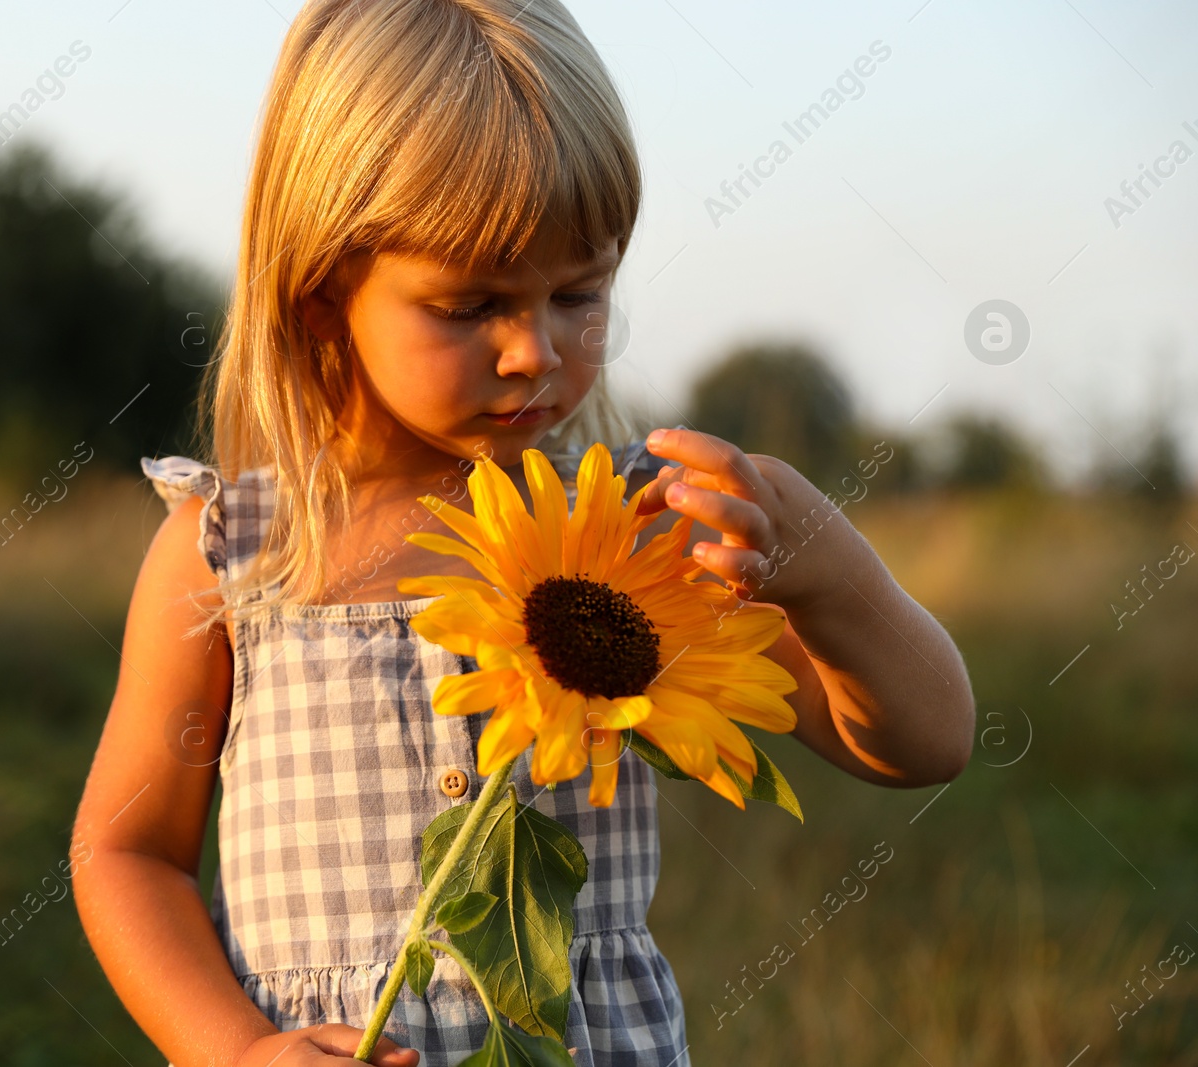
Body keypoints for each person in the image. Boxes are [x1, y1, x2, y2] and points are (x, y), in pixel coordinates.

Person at [69, 1, 976, 1064]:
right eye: (468, 306)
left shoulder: (637, 529)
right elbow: (128, 849)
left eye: (577, 293)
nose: (532, 351)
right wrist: (227, 1047)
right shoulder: (236, 548)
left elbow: (922, 742)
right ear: (321, 294)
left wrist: (827, 573)